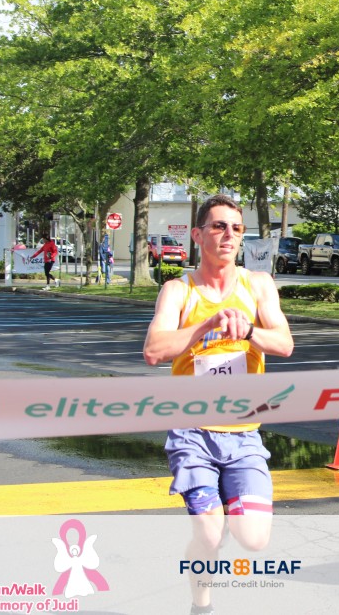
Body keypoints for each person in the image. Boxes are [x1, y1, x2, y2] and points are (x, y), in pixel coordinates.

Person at [143, 194, 294, 615]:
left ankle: (221, 518)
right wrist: (206, 324)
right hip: (192, 434)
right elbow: (154, 351)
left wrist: (249, 333)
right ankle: (201, 603)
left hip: (244, 434)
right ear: (198, 234)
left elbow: (284, 344)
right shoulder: (179, 290)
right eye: (218, 226)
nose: (229, 235)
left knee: (254, 540)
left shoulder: (258, 285)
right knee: (208, 538)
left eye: (237, 228)